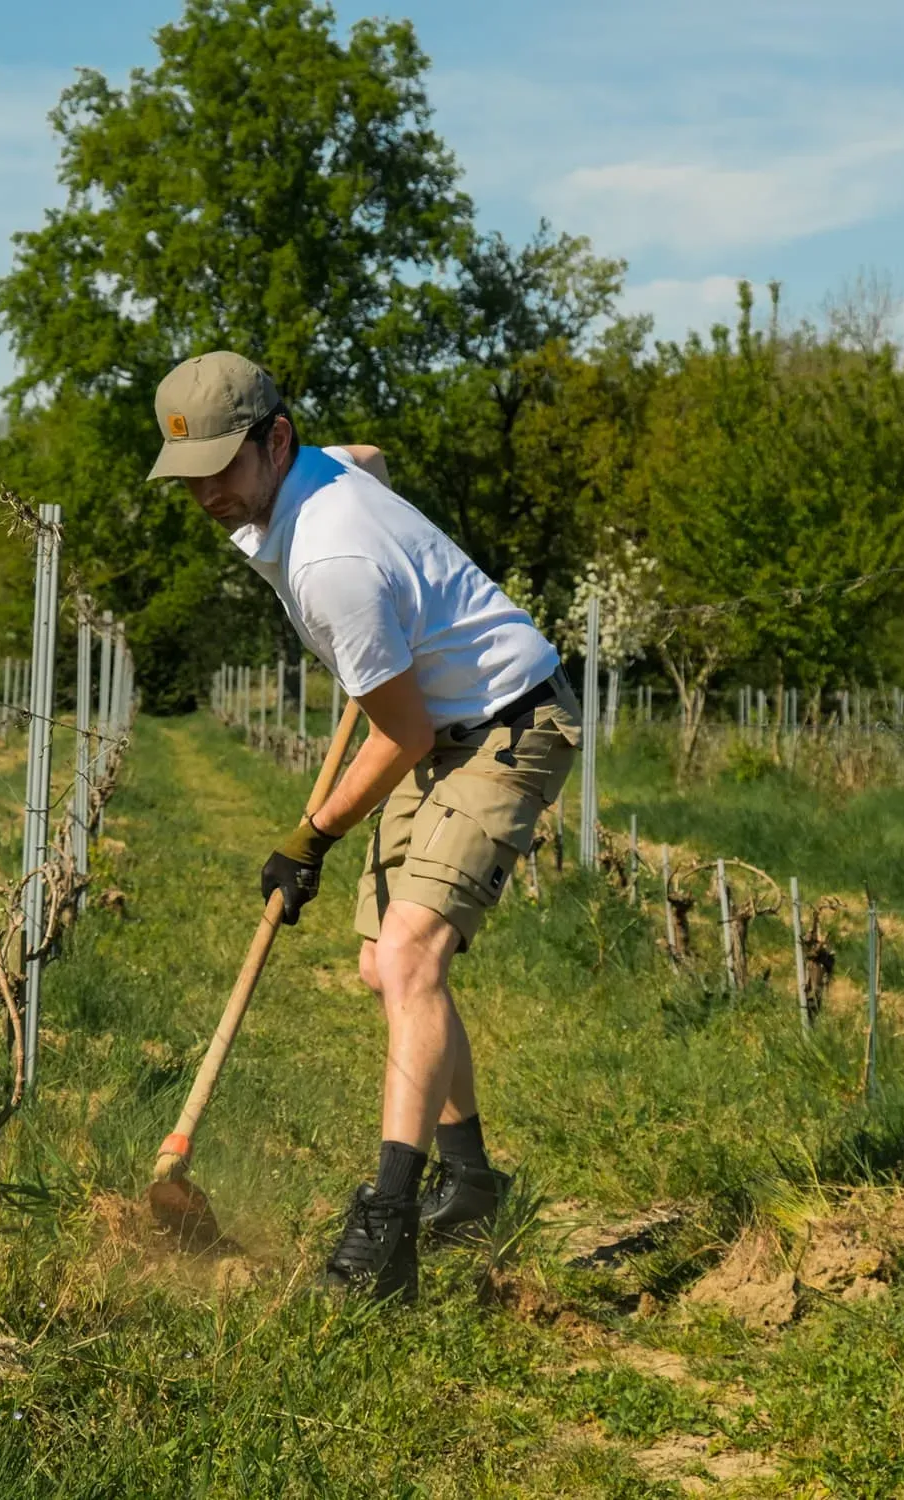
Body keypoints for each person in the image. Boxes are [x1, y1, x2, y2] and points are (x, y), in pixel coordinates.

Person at [147, 351, 579, 1304]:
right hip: (436, 725)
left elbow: (402, 734)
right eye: (189, 476)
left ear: (277, 441)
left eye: (222, 468)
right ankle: (468, 1178)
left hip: (507, 722)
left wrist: (311, 838)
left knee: (414, 954)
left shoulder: (331, 560)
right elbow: (371, 456)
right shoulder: (305, 479)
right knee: (382, 964)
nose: (207, 494)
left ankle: (384, 1231)